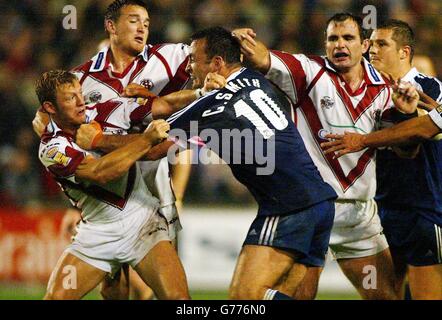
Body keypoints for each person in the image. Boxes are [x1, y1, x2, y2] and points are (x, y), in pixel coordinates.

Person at [232, 13, 419, 299]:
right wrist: (242, 42)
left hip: (358, 218)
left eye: (348, 38)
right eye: (333, 38)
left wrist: (407, 116)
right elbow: (263, 58)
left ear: (364, 45)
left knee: (385, 297)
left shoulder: (385, 88)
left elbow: (407, 150)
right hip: (312, 211)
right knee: (301, 296)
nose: (339, 45)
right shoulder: (309, 72)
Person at [33, 0, 192, 300]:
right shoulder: (54, 142)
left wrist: (202, 92)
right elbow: (100, 171)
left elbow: (161, 109)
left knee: (168, 298)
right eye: (71, 98)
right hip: (100, 225)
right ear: (50, 108)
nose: (82, 102)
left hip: (146, 212)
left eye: (81, 95)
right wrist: (145, 140)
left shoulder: (101, 108)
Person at [365, 19, 442, 300]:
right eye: (371, 44)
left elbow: (416, 139)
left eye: (381, 44)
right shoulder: (368, 92)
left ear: (403, 51)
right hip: (382, 208)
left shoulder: (429, 88)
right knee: (383, 295)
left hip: (423, 210)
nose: (372, 50)